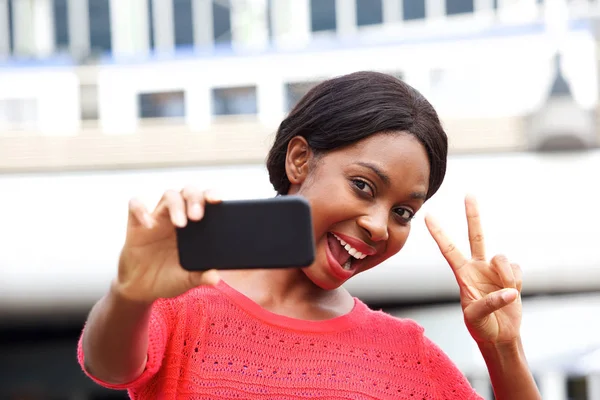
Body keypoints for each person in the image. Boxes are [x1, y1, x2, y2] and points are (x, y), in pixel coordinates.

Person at [77, 71, 541, 399]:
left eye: (403, 211)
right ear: (299, 161)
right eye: (363, 186)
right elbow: (108, 365)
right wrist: (130, 294)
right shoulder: (186, 298)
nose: (378, 226)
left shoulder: (406, 356)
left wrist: (504, 350)